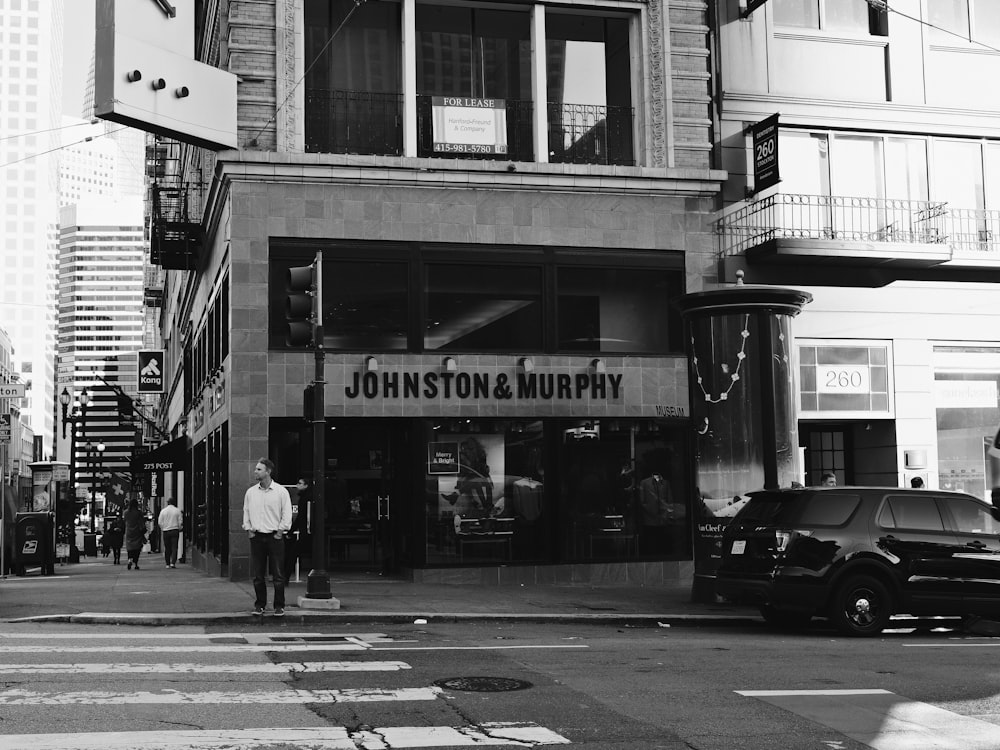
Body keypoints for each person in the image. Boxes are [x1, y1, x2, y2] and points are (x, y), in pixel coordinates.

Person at [242, 458, 292, 617]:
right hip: (257, 536)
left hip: (274, 537)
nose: (255, 472)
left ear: (268, 472)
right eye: (256, 469)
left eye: (258, 469)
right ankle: (260, 605)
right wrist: (249, 530)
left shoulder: (281, 492)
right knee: (258, 574)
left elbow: (287, 514)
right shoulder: (251, 492)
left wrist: (279, 532)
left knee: (278, 574)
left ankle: (279, 606)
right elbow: (246, 512)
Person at [285, 478, 311, 576]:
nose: (297, 485)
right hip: (307, 529)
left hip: (305, 529)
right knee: (294, 552)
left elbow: (300, 517)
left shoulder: (304, 499)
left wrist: (291, 531)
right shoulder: (306, 498)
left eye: (300, 483)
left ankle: (286, 576)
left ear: (306, 485)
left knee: (293, 553)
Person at [157, 497, 183, 568]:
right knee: (174, 547)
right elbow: (180, 521)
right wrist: (179, 528)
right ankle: (173, 563)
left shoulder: (163, 511)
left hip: (166, 531)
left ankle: (167, 563)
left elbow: (160, 522)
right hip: (175, 530)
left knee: (167, 547)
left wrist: (163, 528)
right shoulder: (177, 511)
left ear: (168, 503)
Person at [123, 499, 146, 570]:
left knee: (129, 547)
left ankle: (129, 559)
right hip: (137, 531)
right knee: (137, 548)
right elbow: (141, 522)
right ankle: (136, 563)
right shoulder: (138, 512)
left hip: (129, 531)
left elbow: (124, 521)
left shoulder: (126, 512)